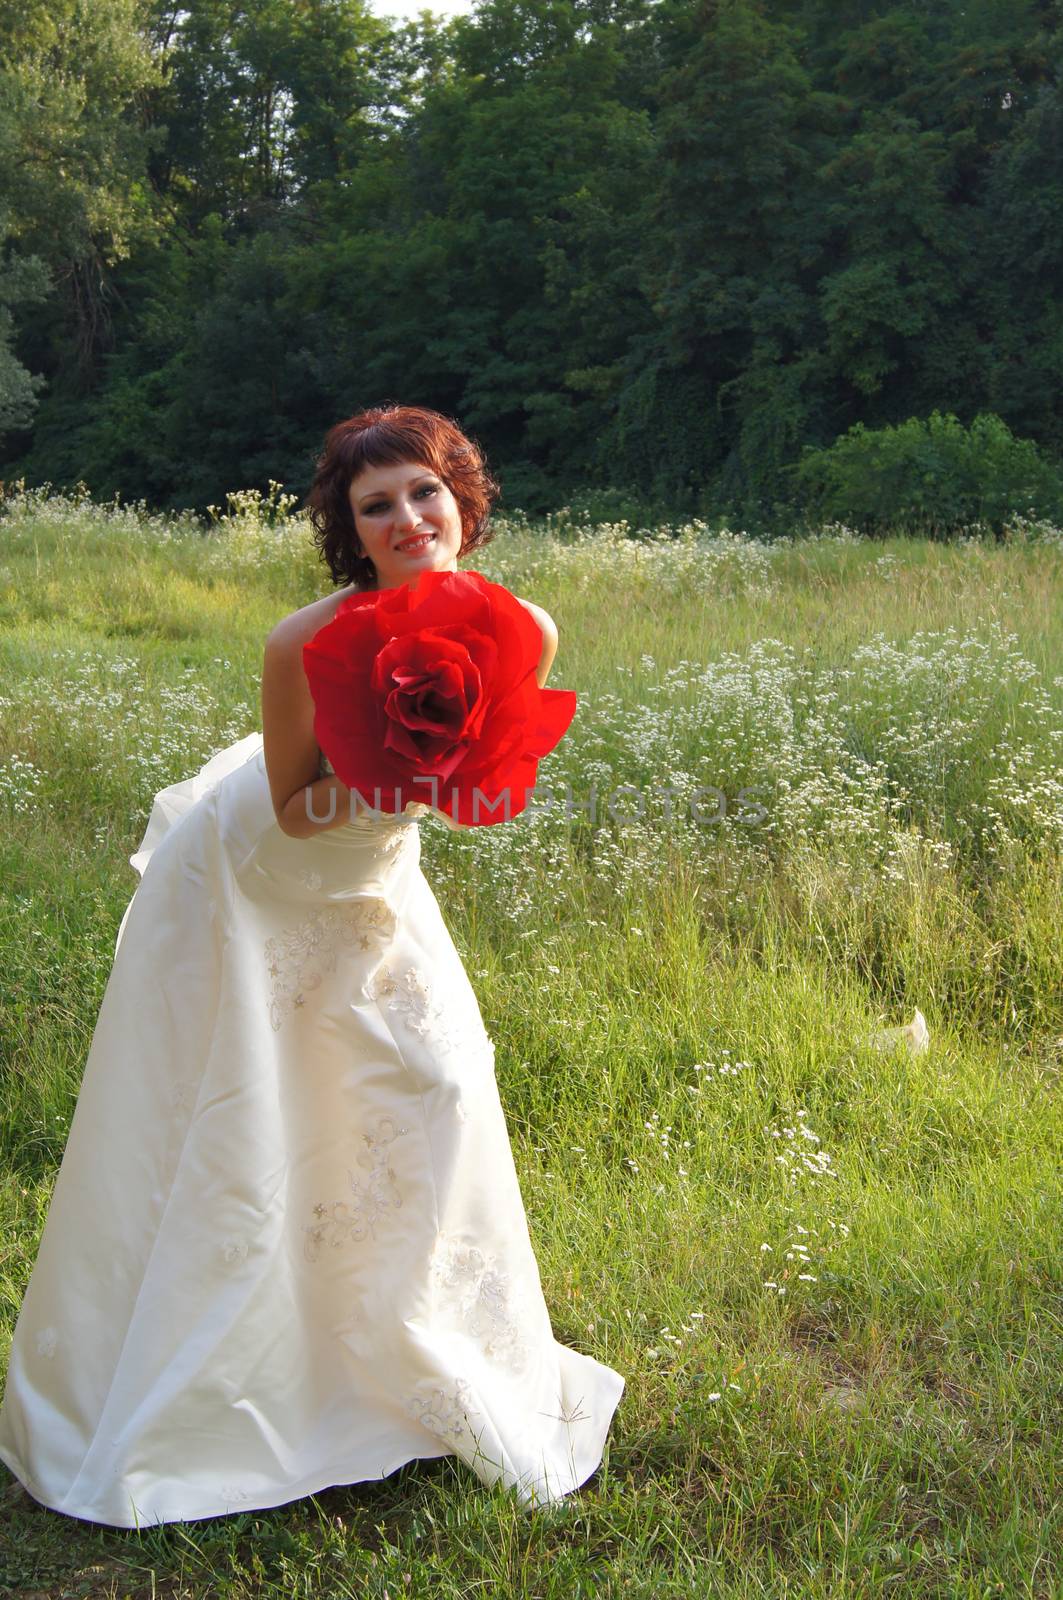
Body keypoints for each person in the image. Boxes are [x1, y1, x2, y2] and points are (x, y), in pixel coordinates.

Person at [0, 404, 625, 1527]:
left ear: (461, 502)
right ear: (350, 526)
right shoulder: (303, 639)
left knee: (433, 1087)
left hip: (374, 883)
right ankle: (228, 1379)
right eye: (374, 504)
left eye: (423, 493)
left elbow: (486, 784)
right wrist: (384, 780)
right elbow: (291, 807)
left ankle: (413, 1350)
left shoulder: (523, 626)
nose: (404, 517)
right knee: (254, 1115)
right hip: (254, 882)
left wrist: (450, 783)